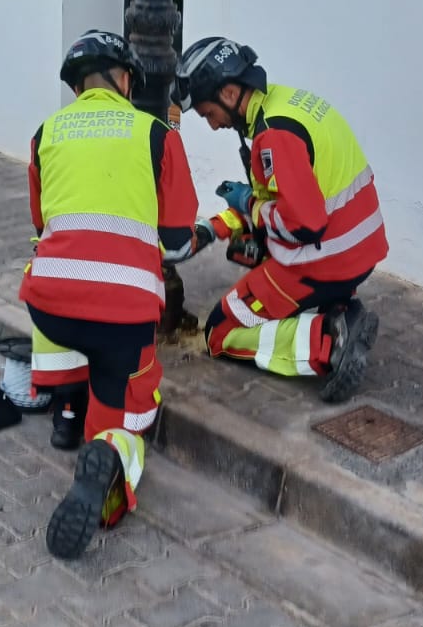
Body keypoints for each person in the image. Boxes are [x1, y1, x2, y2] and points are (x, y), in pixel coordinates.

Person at [21, 29, 204, 560]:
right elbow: (173, 240)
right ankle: (108, 460)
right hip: (121, 320)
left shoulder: (44, 134)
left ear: (78, 85)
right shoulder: (156, 134)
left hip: (49, 310)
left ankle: (65, 410)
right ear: (126, 80)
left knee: (51, 273)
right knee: (130, 405)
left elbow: (41, 223)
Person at [175, 36, 388, 402]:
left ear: (228, 92)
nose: (212, 126)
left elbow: (303, 224)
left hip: (324, 259)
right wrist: (220, 225)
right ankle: (340, 307)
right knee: (254, 249)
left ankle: (328, 341)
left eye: (209, 113)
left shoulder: (273, 134)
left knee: (219, 330)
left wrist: (250, 207)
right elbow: (279, 196)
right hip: (360, 248)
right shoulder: (285, 103)